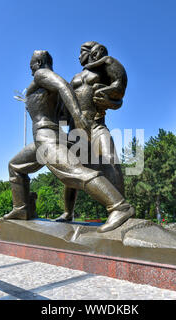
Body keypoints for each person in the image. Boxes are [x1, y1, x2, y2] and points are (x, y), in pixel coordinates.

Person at [5, 50, 135, 233]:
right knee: (15, 166)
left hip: (47, 137)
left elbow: (63, 86)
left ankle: (119, 206)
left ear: (40, 62)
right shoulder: (47, 88)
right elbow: (64, 107)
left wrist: (78, 115)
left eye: (32, 64)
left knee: (74, 173)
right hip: (43, 139)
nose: (30, 69)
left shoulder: (42, 74)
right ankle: (21, 208)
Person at [56, 41, 128, 222]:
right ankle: (68, 213)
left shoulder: (103, 70)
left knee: (111, 160)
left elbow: (118, 100)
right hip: (75, 128)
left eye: (81, 52)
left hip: (96, 124)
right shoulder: (75, 77)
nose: (78, 56)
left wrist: (110, 102)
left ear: (91, 52)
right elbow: (64, 106)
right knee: (72, 169)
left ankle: (120, 210)